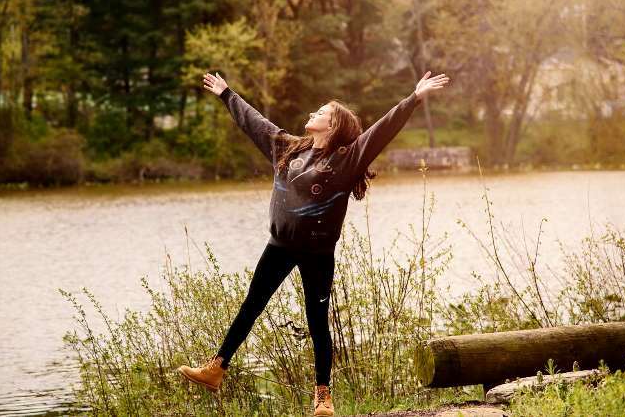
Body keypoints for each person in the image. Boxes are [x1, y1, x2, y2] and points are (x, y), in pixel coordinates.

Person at [177, 70, 449, 416]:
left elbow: (382, 130)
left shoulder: (346, 160)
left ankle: (323, 397)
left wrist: (414, 99)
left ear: (333, 125)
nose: (312, 115)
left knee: (317, 320)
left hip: (318, 252)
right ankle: (216, 368)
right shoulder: (288, 149)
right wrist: (227, 94)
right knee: (251, 305)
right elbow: (256, 123)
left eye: (320, 113)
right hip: (280, 245)